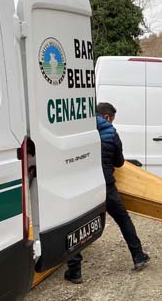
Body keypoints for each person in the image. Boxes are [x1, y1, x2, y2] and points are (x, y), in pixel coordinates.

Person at [64, 103, 150, 284]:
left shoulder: (78, 129)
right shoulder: (111, 133)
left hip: (83, 186)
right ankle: (138, 256)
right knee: (123, 219)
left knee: (76, 225)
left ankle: (75, 271)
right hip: (105, 185)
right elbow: (119, 162)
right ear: (107, 117)